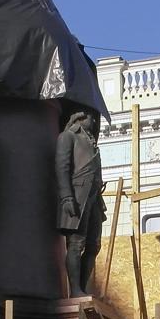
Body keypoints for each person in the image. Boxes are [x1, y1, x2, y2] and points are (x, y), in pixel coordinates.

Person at [55, 109, 105, 295]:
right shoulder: (67, 137)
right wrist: (67, 197)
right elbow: (62, 167)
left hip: (93, 199)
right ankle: (75, 290)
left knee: (94, 245)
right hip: (77, 197)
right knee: (76, 244)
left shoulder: (91, 140)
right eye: (91, 116)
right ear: (79, 117)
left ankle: (82, 288)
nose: (93, 120)